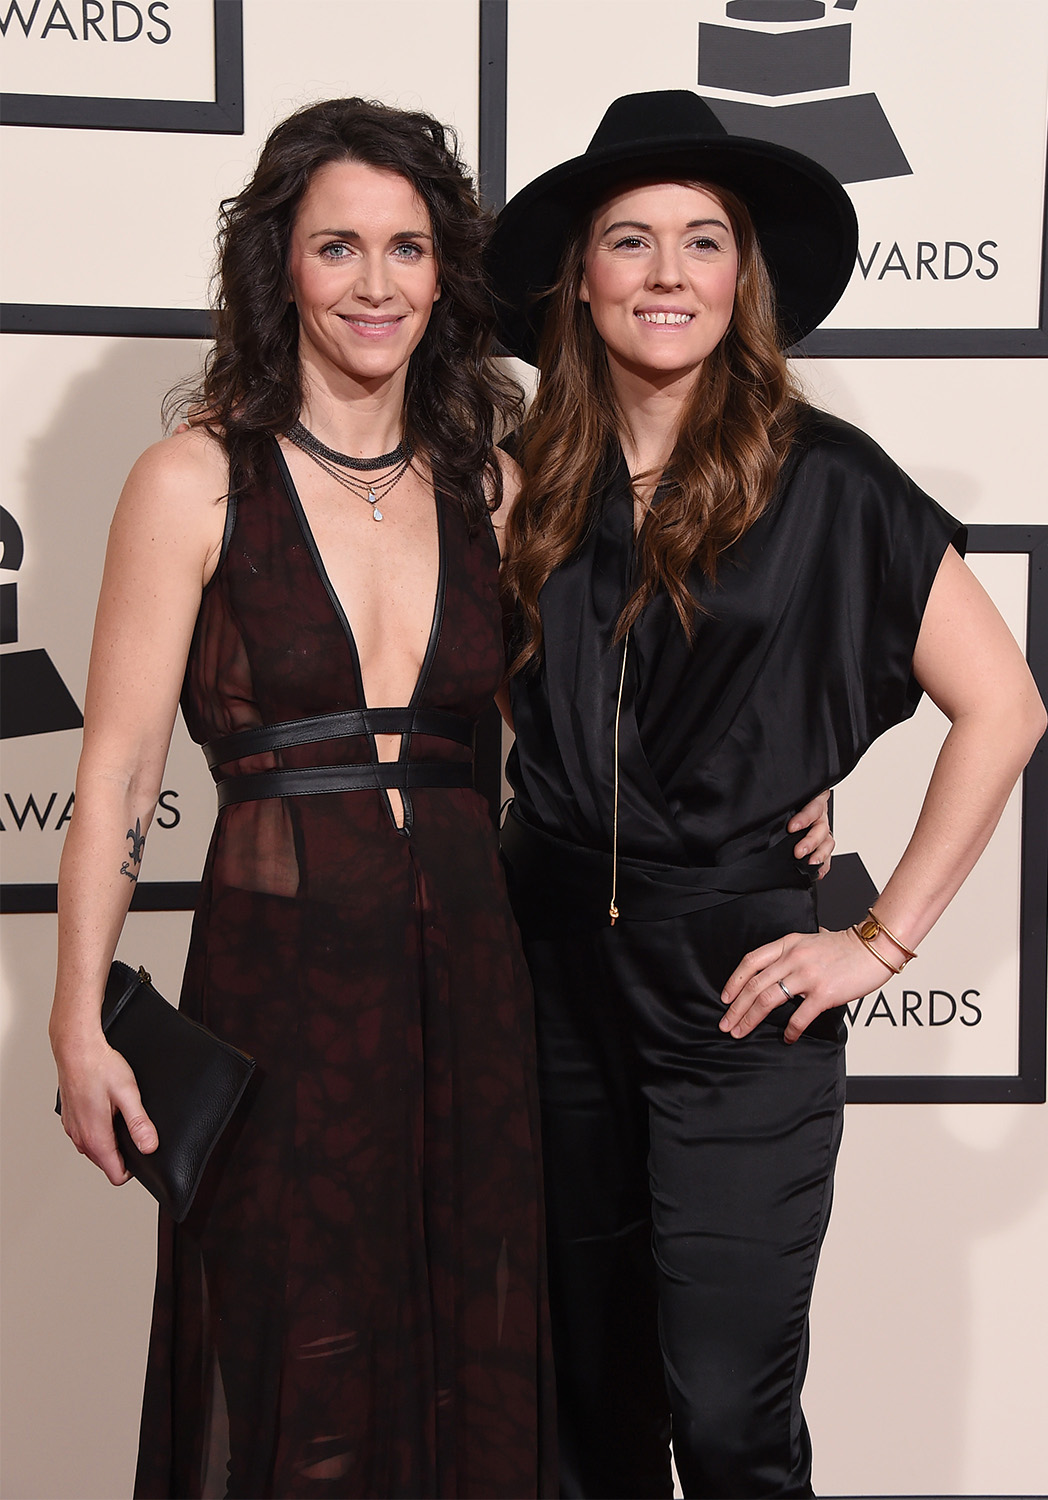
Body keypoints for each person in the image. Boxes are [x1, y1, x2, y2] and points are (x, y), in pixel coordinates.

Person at [488, 90, 1047, 1500]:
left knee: (729, 1419)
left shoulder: (828, 481)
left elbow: (1006, 708)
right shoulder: (518, 485)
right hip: (547, 985)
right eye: (631, 241)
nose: (667, 272)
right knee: (583, 1414)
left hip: (738, 999)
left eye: (703, 241)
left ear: (744, 279)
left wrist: (875, 941)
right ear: (580, 278)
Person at [48, 98, 557, 1499]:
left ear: (446, 272)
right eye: (339, 247)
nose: (376, 284)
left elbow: (577, 746)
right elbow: (120, 774)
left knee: (476, 1331)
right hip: (275, 982)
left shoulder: (494, 489)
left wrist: (783, 804)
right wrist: (75, 1023)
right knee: (288, 1349)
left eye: (406, 248)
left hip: (471, 983)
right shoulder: (193, 480)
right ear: (283, 266)